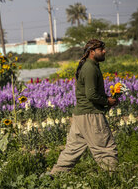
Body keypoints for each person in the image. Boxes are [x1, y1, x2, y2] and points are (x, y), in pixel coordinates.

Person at [50, 39, 118, 174]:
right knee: (105, 149)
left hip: (81, 115)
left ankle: (54, 177)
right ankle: (114, 180)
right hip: (91, 115)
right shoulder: (90, 68)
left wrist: (108, 99)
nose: (104, 51)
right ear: (91, 52)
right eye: (101, 49)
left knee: (72, 150)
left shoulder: (90, 66)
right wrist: (107, 101)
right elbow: (91, 95)